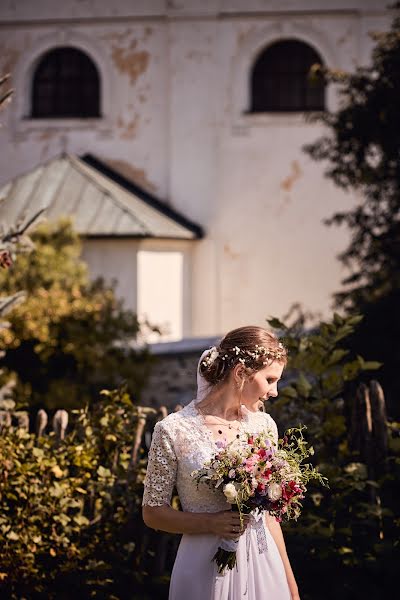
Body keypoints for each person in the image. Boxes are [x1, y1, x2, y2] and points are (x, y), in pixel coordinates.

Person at [142, 326, 300, 600]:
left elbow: (270, 517)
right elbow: (152, 512)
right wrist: (210, 523)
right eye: (270, 379)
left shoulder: (263, 425)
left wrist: (289, 583)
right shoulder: (173, 430)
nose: (274, 391)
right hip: (203, 566)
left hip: (263, 561)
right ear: (241, 373)